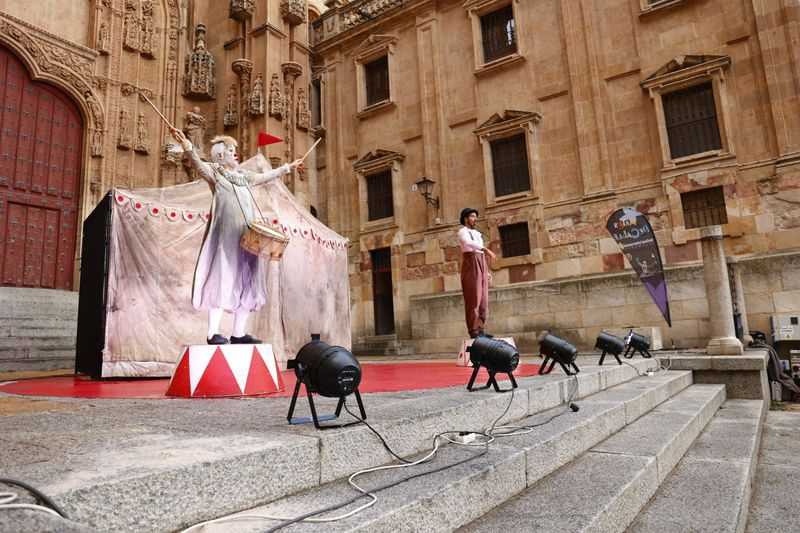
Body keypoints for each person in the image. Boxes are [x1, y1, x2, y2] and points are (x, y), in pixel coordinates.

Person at [169, 127, 304, 344]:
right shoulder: (215, 174)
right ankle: (212, 333)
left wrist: (289, 167)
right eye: (231, 151)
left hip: (248, 237)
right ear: (220, 156)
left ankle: (238, 333)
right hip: (226, 238)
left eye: (235, 150)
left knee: (248, 280)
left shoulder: (244, 178)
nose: (236, 154)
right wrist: (187, 146)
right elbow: (198, 164)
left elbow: (266, 176)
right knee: (221, 278)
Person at [458, 208, 496, 339]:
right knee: (474, 297)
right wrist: (486, 249)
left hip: (481, 263)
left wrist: (486, 271)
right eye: (473, 216)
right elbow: (468, 243)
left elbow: (479, 253)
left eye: (475, 217)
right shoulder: (463, 231)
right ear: (466, 219)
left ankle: (481, 329)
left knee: (483, 300)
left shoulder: (478, 234)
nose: (475, 219)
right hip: (471, 263)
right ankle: (473, 330)